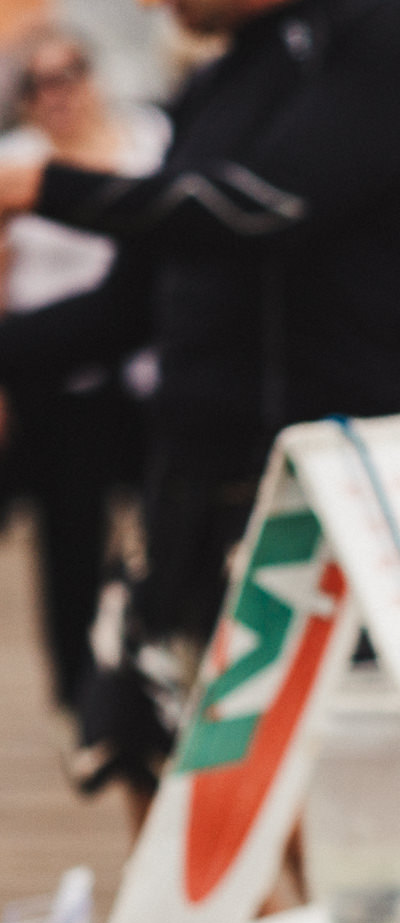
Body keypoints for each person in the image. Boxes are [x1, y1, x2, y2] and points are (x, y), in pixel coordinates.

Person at [0, 0, 400, 811]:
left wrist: (46, 184)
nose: (153, 3)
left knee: (315, 791)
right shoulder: (215, 85)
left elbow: (266, 205)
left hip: (331, 492)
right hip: (188, 486)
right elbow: (125, 309)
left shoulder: (385, 30)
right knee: (141, 749)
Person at [0, 28, 166, 715]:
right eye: (39, 82)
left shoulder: (147, 141)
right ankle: (81, 695)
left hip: (140, 369)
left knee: (160, 529)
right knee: (68, 534)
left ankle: (150, 675)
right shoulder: (15, 163)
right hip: (48, 372)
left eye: (70, 73)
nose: (58, 92)